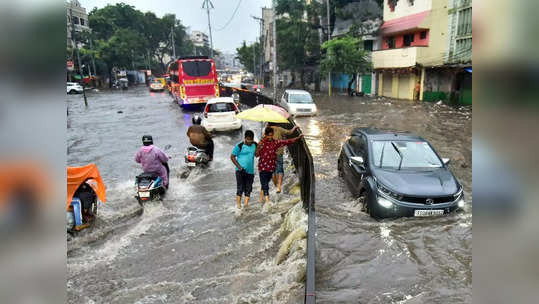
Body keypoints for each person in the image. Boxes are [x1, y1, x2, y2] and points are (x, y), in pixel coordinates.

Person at [256, 127, 303, 205]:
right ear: (265, 135)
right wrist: (258, 147)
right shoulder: (262, 143)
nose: (270, 137)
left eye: (271, 135)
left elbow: (286, 142)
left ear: (273, 135)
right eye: (268, 135)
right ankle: (267, 203)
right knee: (265, 185)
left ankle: (261, 200)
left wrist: (298, 138)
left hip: (271, 168)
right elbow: (256, 155)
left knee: (265, 184)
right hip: (263, 167)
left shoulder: (275, 142)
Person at [267, 123, 299, 193]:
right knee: (280, 170)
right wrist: (294, 128)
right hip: (279, 153)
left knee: (273, 171)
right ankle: (279, 187)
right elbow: (289, 132)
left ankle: (276, 186)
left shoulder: (267, 130)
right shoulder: (279, 129)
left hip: (270, 154)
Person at [230, 130, 257, 209]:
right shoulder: (239, 146)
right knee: (240, 188)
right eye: (248, 139)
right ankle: (238, 206)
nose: (249, 141)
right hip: (240, 171)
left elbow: (257, 154)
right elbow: (232, 157)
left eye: (251, 140)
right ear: (245, 138)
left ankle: (245, 206)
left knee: (248, 189)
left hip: (250, 171)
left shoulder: (254, 144)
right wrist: (239, 167)